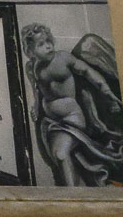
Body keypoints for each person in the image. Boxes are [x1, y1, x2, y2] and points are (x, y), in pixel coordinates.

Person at [21, 24, 123, 187]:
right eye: (41, 44)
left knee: (61, 154)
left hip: (72, 118)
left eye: (49, 41)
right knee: (59, 159)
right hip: (51, 123)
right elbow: (37, 90)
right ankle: (73, 192)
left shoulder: (63, 59)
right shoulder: (31, 67)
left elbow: (89, 72)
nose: (48, 46)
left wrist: (107, 93)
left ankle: (72, 195)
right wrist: (36, 106)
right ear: (30, 51)